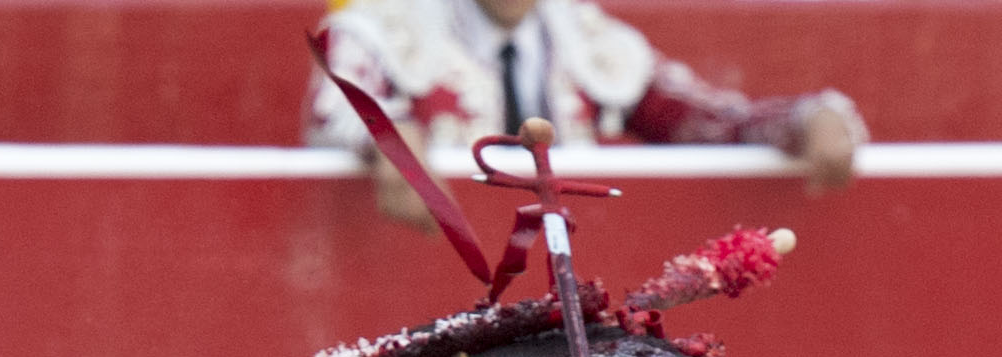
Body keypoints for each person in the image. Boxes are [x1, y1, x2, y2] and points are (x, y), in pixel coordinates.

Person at [305, 0, 865, 230]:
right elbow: (341, 110)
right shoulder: (376, 28)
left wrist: (806, 118)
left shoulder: (589, 39)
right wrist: (386, 135)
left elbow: (707, 121)